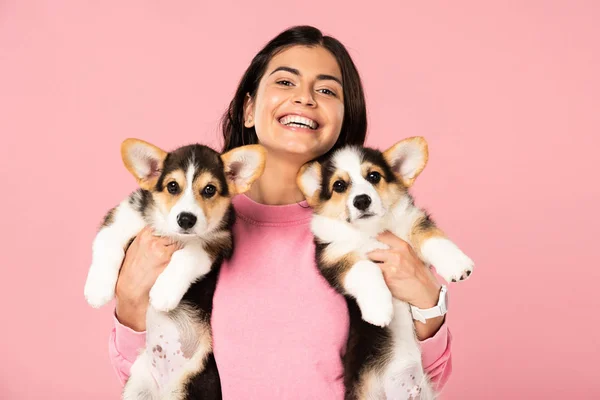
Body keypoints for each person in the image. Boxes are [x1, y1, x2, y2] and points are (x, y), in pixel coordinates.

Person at [108, 25, 453, 399]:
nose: (304, 98)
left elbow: (428, 377)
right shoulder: (191, 225)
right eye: (286, 82)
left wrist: (426, 297)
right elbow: (141, 373)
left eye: (326, 90)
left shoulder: (370, 224)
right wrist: (128, 297)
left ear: (343, 121)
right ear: (249, 109)